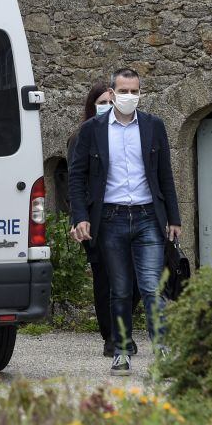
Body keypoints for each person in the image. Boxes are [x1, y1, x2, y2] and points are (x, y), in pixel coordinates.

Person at [67, 68, 181, 376]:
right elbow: (76, 177)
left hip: (147, 217)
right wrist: (80, 217)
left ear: (140, 93)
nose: (129, 96)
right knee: (118, 289)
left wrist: (174, 217)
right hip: (110, 218)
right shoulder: (92, 130)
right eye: (123, 91)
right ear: (112, 93)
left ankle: (162, 349)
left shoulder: (153, 126)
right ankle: (121, 351)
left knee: (151, 287)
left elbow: (165, 174)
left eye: (134, 91)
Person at [66, 82, 139, 358]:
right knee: (105, 279)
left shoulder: (126, 135)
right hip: (94, 220)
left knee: (134, 279)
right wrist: (80, 218)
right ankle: (112, 336)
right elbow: (76, 180)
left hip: (126, 216)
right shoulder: (82, 136)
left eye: (111, 102)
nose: (107, 107)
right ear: (92, 106)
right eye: (102, 103)